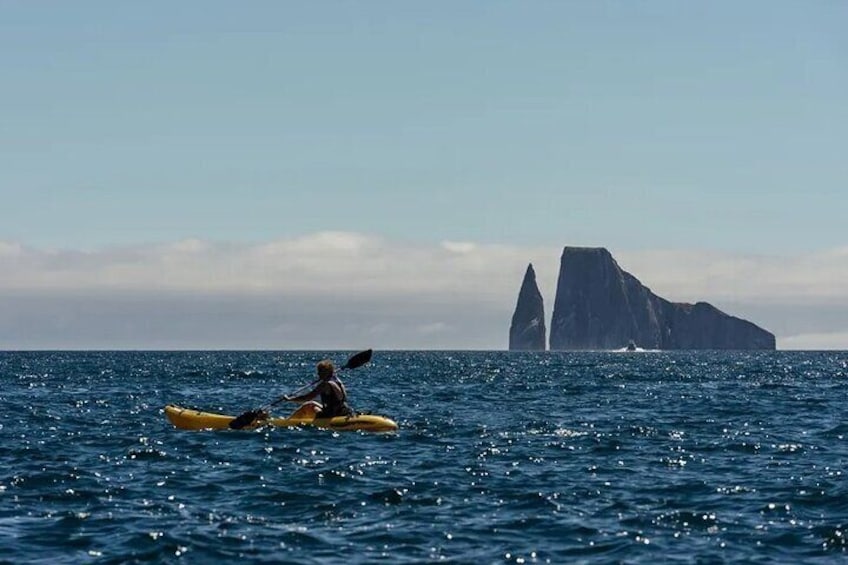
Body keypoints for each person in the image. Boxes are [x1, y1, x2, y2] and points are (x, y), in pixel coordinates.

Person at [283, 359, 354, 419]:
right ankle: (290, 420)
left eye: (320, 371)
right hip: (344, 411)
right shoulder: (339, 382)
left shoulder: (325, 384)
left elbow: (308, 397)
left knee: (306, 405)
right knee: (311, 404)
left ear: (327, 372)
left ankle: (288, 422)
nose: (318, 374)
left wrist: (290, 399)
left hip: (331, 415)